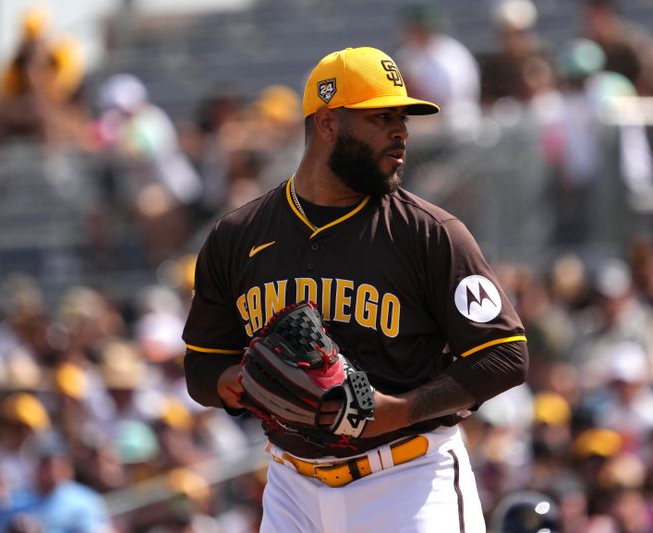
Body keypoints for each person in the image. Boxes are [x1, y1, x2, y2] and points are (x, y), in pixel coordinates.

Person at [182, 46, 528, 532]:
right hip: (291, 486)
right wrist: (242, 384)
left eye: (402, 118)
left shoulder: (429, 233)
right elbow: (200, 364)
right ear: (327, 123)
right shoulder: (238, 236)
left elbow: (505, 355)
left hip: (407, 477)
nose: (401, 132)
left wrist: (401, 410)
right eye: (380, 117)